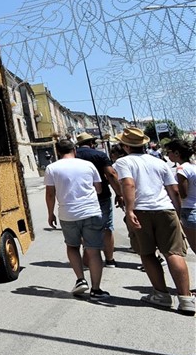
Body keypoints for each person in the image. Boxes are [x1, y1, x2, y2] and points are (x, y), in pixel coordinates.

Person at [113, 127, 194, 315]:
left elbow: (128, 184)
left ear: (126, 146)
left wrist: (129, 209)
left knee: (147, 252)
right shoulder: (159, 162)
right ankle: (186, 299)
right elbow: (174, 190)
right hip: (165, 208)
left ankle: (161, 295)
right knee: (173, 252)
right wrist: (177, 212)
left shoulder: (124, 162)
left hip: (141, 210)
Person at [44, 139, 109, 299]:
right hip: (91, 211)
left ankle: (80, 280)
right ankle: (96, 290)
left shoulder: (52, 168)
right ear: (74, 149)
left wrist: (50, 213)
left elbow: (50, 194)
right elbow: (99, 189)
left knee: (72, 247)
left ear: (57, 151)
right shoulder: (88, 165)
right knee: (93, 250)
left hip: (68, 213)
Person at [75, 132, 121, 266]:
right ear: (91, 143)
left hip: (81, 197)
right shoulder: (99, 155)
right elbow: (111, 174)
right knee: (106, 227)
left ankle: (89, 258)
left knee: (86, 228)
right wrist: (119, 193)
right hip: (102, 196)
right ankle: (110, 259)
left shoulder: (73, 156)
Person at [165, 139, 196, 254]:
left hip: (189, 210)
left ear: (177, 153)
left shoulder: (182, 169)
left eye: (168, 152)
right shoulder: (194, 167)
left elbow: (183, 194)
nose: (167, 155)